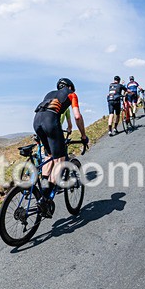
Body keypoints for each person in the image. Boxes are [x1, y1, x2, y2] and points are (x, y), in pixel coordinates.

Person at [33, 78, 89, 218]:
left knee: (49, 155)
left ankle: (44, 187)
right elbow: (77, 116)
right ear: (70, 87)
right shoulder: (71, 94)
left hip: (36, 122)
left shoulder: (49, 94)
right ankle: (45, 200)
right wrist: (83, 135)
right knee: (60, 160)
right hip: (50, 123)